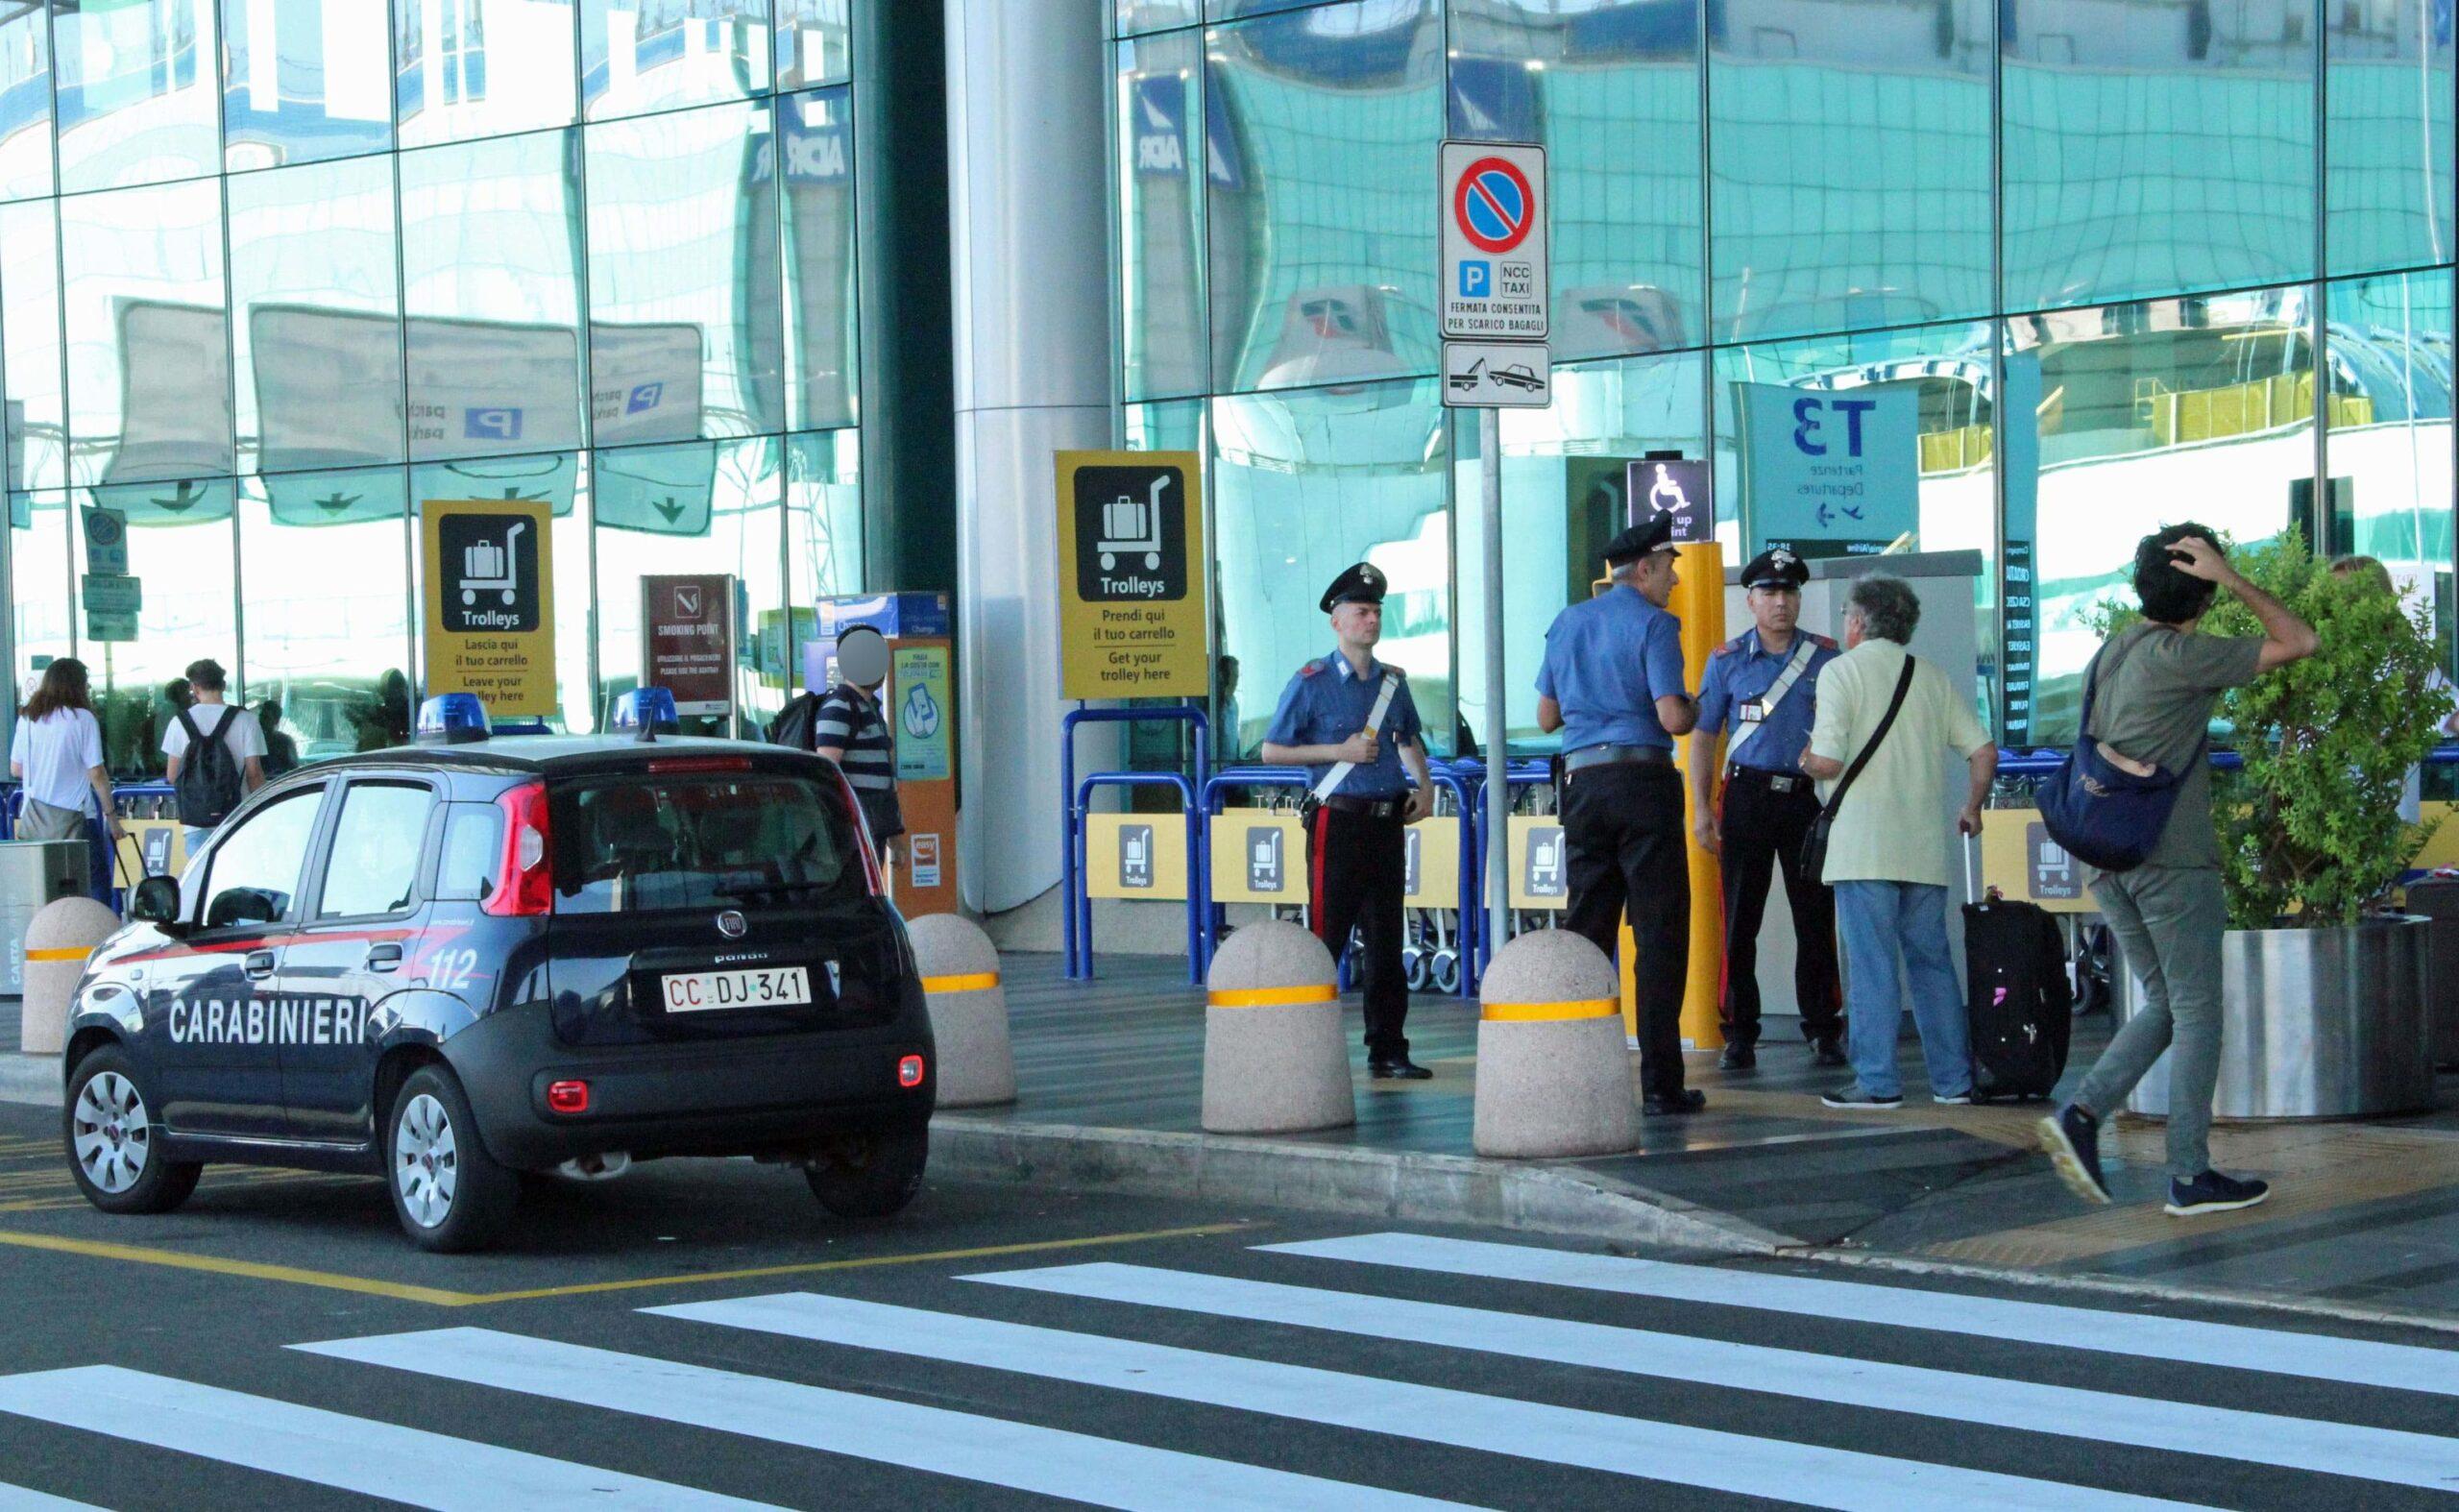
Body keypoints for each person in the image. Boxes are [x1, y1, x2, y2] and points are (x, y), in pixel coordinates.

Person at [2040, 528, 2317, 1216]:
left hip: (2108, 857)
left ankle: (2081, 1115)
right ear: (2203, 592)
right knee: (2198, 1015)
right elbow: (2301, 641)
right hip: (2171, 859)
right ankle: (2189, 1174)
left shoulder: (2113, 652)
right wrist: (2237, 580)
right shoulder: (2181, 655)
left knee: (2165, 1004)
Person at [1798, 575, 1994, 1110]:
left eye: (1845, 616)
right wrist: (1971, 808)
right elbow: (1982, 751)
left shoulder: (1840, 671)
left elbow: (1830, 760)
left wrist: (1805, 758)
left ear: (1858, 622)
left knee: (1871, 965)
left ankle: (1878, 1082)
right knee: (1932, 963)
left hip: (1864, 847)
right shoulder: (1930, 676)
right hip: (1924, 847)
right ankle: (1953, 1080)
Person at [1536, 512, 1701, 1115]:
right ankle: (1661, 1084)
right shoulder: (1657, 624)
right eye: (1670, 571)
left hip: (1582, 785)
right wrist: (1700, 706)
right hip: (1642, 784)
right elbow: (1671, 718)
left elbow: (1547, 716)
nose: (1675, 582)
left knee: (1587, 928)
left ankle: (1574, 1070)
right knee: (1659, 934)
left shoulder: (1568, 621)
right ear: (1647, 569)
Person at [1260, 562, 1436, 1079]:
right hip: (1337, 821)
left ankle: (1388, 1049)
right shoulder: (1311, 682)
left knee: (1385, 941)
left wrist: (1424, 787)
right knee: (1326, 936)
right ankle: (1303, 1049)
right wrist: (1338, 749)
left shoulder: (1391, 683)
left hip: (1385, 822)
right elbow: (1272, 750)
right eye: (1361, 611)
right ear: (1337, 621)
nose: (1372, 620)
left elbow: (1408, 740)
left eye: (1377, 611)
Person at [1690, 548, 1846, 1071]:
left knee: (1815, 918)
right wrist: (1701, 810)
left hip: (1805, 800)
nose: (1781, 603)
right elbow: (1704, 736)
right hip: (1746, 798)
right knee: (1739, 921)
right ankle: (1739, 1032)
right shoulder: (1727, 659)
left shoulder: (1827, 658)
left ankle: (1824, 1028)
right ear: (1751, 600)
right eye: (1771, 593)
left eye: (1790, 592)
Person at [2328, 554, 2457, 824]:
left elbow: (2452, 711)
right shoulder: (2317, 657)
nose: (2334, 605)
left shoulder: (2404, 660)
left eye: (2345, 595)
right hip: (2313, 812)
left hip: (2375, 817)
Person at [9, 658, 124, 851]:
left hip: (35, 820)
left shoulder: (27, 718)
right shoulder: (83, 719)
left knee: (45, 879)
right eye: (85, 682)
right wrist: (111, 817)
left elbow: (16, 768)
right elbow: (96, 772)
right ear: (76, 686)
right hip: (76, 817)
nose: (87, 687)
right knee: (93, 878)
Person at [814, 626, 904, 866]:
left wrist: (893, 836)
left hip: (871, 829)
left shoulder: (871, 709)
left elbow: (884, 777)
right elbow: (826, 771)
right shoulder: (839, 707)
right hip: (853, 834)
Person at [161, 658, 267, 853]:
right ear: (224, 685)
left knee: (202, 880)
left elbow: (172, 775)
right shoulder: (247, 721)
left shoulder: (179, 722)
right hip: (236, 818)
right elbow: (254, 774)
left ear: (194, 687)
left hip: (196, 824)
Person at [256, 698, 300, 779]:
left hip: (278, 785)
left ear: (276, 721)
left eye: (266, 718)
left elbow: (294, 770)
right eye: (261, 716)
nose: (261, 721)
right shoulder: (253, 739)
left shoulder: (285, 741)